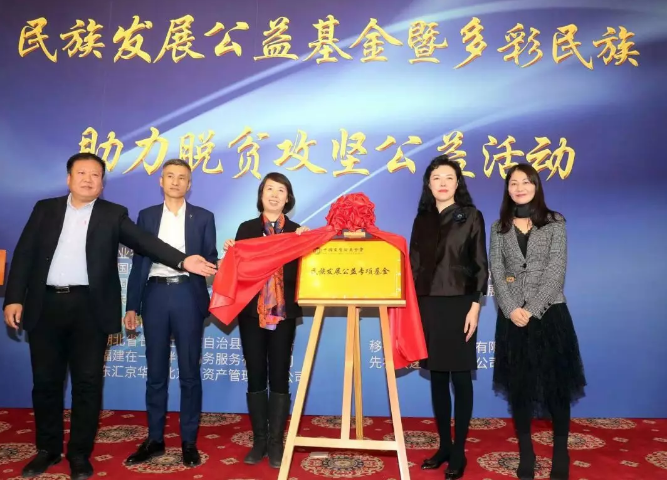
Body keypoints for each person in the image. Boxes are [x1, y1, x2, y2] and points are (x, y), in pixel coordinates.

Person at [2, 153, 217, 480]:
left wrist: (183, 260)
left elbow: (146, 243)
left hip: (90, 309)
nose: (88, 179)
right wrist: (14, 297)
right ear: (69, 178)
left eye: (95, 175)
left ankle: (79, 454)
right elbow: (24, 254)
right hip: (45, 306)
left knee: (88, 384)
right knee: (45, 382)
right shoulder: (45, 209)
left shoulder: (112, 214)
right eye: (82, 173)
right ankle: (47, 450)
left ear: (102, 183)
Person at [490, 164, 586, 480]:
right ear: (507, 189)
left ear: (536, 186)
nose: (519, 188)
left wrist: (531, 309)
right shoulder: (499, 227)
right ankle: (527, 454)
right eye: (513, 183)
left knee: (556, 386)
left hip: (549, 314)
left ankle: (561, 452)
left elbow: (556, 271)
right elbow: (496, 272)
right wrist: (510, 308)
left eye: (526, 182)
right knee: (520, 388)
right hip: (512, 319)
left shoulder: (555, 222)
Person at [123, 159, 218, 467]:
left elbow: (210, 257)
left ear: (189, 185)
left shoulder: (203, 217)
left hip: (187, 295)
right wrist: (132, 305)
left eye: (182, 178)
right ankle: (155, 440)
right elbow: (139, 262)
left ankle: (189, 441)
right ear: (160, 181)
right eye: (170, 176)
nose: (176, 182)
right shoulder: (147, 216)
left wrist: (211, 264)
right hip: (155, 295)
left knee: (190, 373)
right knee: (155, 373)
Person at [409, 155, 488, 479]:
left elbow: (480, 263)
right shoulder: (422, 219)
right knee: (438, 377)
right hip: (428, 304)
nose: (442, 183)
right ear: (428, 185)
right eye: (436, 178)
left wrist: (475, 306)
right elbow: (413, 265)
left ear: (458, 183)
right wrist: (413, 308)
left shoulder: (471, 216)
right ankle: (443, 446)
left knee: (460, 378)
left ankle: (459, 452)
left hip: (460, 303)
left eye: (449, 177)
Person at [222, 172, 308, 469]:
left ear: (288, 198)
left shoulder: (297, 231)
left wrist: (307, 245)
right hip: (252, 313)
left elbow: (306, 273)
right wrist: (231, 252)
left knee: (280, 374)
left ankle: (275, 442)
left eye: (280, 190)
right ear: (261, 195)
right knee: (256, 372)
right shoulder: (246, 229)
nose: (274, 194)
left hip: (284, 313)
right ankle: (259, 440)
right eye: (269, 189)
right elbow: (238, 270)